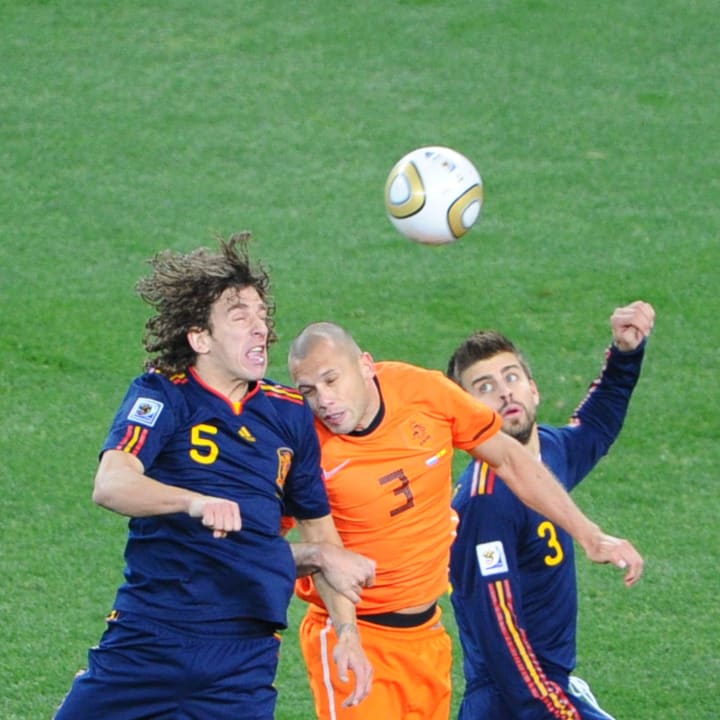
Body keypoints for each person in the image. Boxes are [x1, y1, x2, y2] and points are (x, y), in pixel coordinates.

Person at [54, 234, 374, 720]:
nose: (260, 329)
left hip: (242, 661)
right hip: (151, 641)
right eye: (240, 316)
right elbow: (112, 483)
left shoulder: (288, 414)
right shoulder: (164, 394)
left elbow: (323, 538)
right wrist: (194, 503)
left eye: (262, 316)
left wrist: (347, 631)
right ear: (200, 337)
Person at [287, 322, 644, 720]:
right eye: (309, 391)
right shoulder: (306, 445)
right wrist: (344, 625)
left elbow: (510, 458)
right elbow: (284, 542)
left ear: (366, 365)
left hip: (427, 637)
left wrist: (589, 535)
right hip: (355, 635)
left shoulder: (425, 393)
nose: (324, 401)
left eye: (331, 380)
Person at [446, 300, 655, 719]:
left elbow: (596, 426)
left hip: (546, 687)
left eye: (511, 377)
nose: (505, 391)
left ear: (533, 388)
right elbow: (500, 631)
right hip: (513, 700)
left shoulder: (549, 452)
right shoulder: (484, 504)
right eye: (484, 387)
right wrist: (554, 707)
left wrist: (625, 353)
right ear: (465, 413)